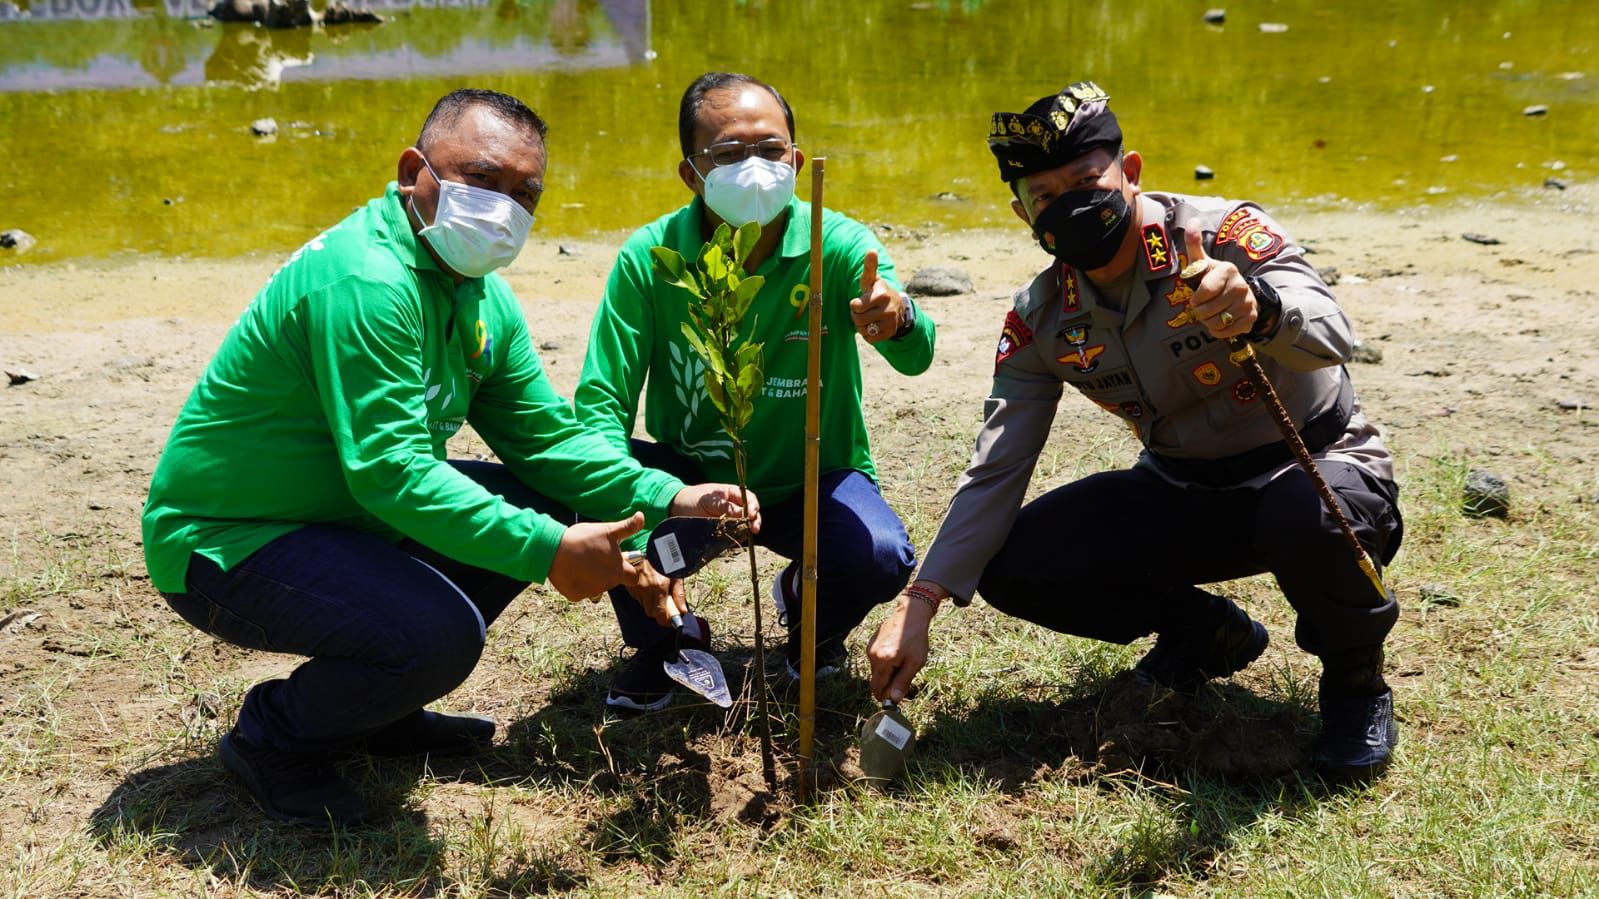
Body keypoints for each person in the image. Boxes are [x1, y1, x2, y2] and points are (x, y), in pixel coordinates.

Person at [142, 88, 757, 826]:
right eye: (480, 179)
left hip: (343, 515)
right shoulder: (366, 280)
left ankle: (376, 711)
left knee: (536, 498)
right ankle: (273, 738)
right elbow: (391, 471)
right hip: (227, 540)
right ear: (414, 170)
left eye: (524, 193)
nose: (502, 207)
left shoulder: (478, 295)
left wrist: (675, 496)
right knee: (438, 633)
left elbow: (550, 443)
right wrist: (549, 550)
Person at [865, 82, 1404, 779]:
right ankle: (1203, 634)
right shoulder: (1040, 317)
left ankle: (1355, 684)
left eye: (1086, 179)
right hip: (1185, 489)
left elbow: (1333, 332)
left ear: (1131, 171)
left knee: (1309, 520)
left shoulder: (1221, 235)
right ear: (1019, 210)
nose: (1069, 202)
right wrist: (921, 598)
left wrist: (1260, 309)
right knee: (1014, 559)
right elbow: (996, 464)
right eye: (1044, 194)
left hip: (1313, 470)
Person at [574, 72, 937, 711]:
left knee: (880, 557)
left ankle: (810, 620)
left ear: (796, 160)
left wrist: (898, 319)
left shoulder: (839, 243)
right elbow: (600, 406)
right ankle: (672, 643)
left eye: (770, 150)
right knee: (592, 496)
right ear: (691, 173)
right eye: (728, 153)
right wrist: (656, 496)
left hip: (813, 475)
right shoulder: (650, 258)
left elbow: (917, 355)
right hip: (693, 485)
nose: (754, 166)